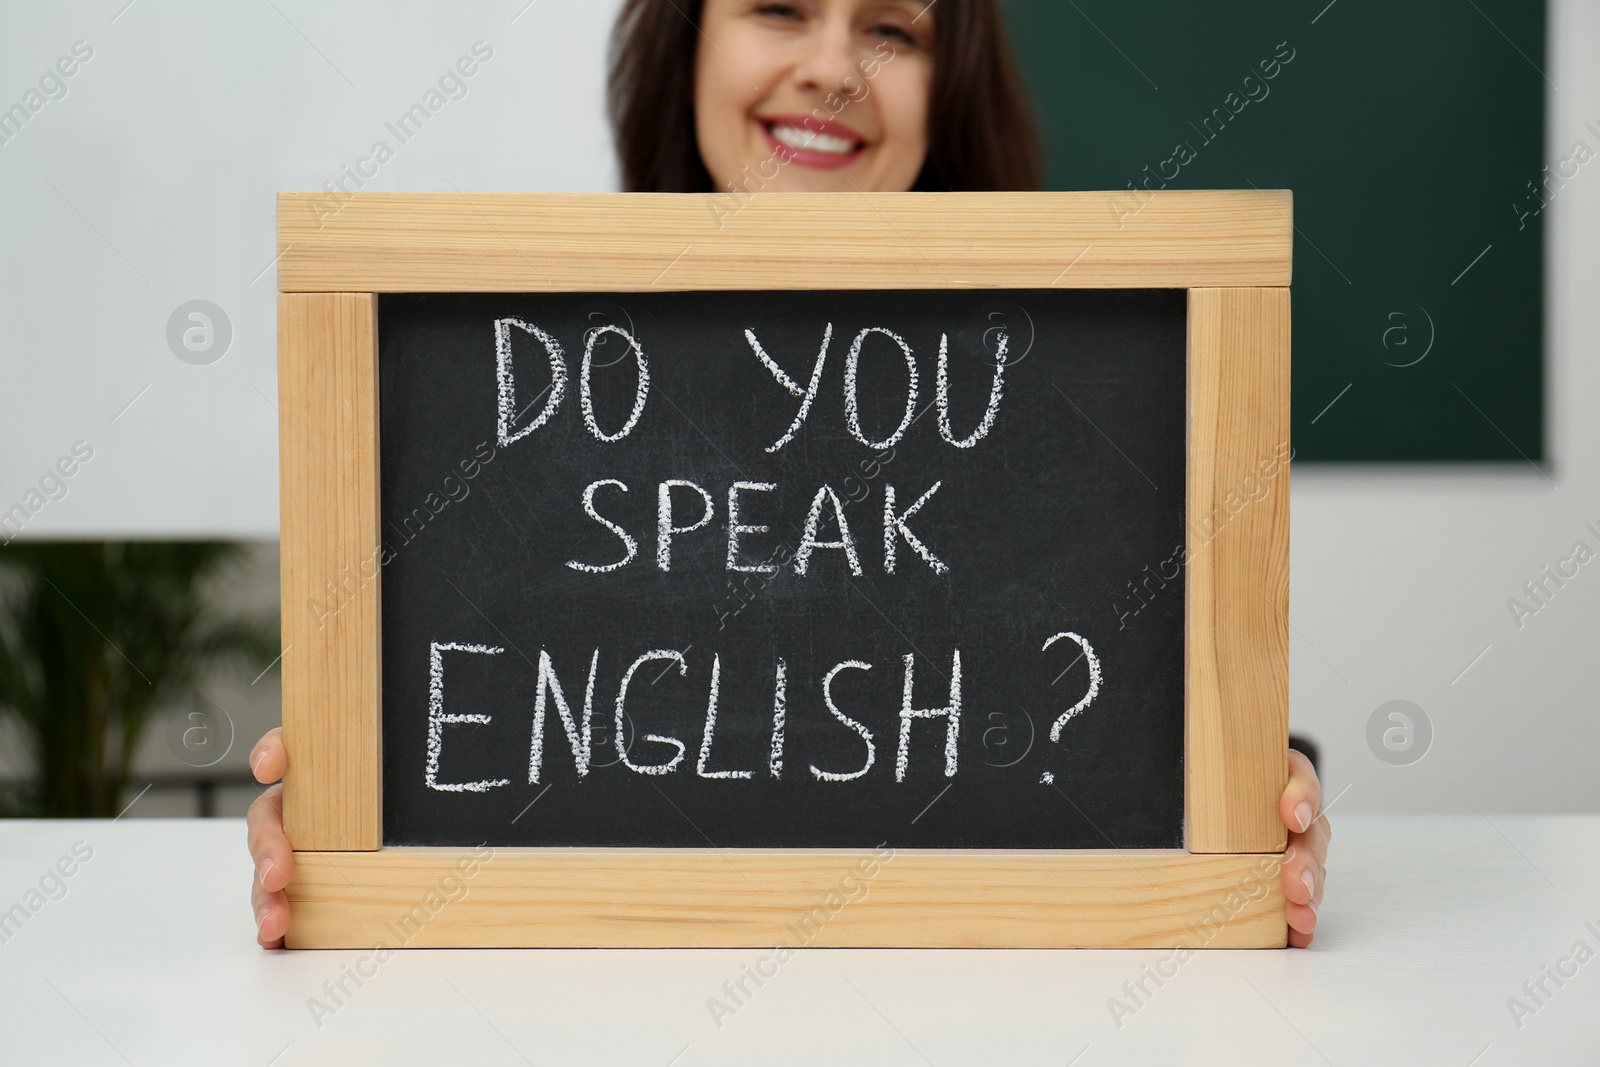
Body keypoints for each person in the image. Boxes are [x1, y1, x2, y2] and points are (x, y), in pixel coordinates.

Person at [248, 0, 1330, 949]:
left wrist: (1263, 792)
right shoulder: (513, 381)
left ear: (950, 91)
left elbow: (1134, 719)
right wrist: (349, 807)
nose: (832, 68)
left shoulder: (1091, 383)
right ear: (683, 47)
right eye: (776, 8)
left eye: (891, 30)